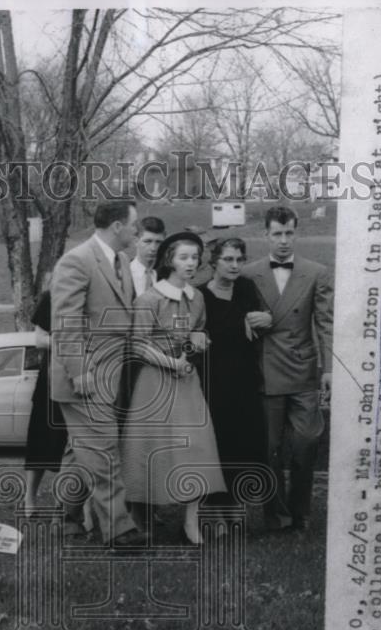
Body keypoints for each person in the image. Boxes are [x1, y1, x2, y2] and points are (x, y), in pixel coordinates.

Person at [50, 200, 144, 547]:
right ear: (117, 226)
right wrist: (78, 371)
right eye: (134, 224)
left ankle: (69, 516)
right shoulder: (76, 261)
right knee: (103, 450)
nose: (137, 230)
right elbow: (65, 322)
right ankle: (119, 530)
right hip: (85, 377)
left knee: (81, 451)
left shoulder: (120, 259)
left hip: (111, 373)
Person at [122, 231, 226, 545]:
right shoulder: (149, 298)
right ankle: (141, 520)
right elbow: (137, 345)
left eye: (195, 257)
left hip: (187, 384)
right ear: (170, 260)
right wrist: (170, 363)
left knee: (196, 448)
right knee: (150, 450)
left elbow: (198, 331)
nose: (191, 263)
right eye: (184, 257)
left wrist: (199, 337)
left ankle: (191, 521)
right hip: (154, 384)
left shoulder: (198, 298)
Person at [241, 206, 333, 532]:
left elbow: (325, 322)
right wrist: (251, 319)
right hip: (266, 371)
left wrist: (328, 369)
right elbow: (229, 311)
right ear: (265, 235)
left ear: (296, 233)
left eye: (289, 233)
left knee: (307, 442)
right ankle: (277, 516)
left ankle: (301, 510)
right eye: (277, 234)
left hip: (304, 370)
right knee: (269, 450)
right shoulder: (249, 273)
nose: (283, 241)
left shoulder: (316, 272)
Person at [198, 238, 269, 506]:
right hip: (214, 380)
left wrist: (266, 318)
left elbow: (262, 316)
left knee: (245, 439)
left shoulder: (247, 288)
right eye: (228, 259)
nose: (235, 265)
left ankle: (236, 505)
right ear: (213, 261)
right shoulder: (200, 295)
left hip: (245, 378)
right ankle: (215, 505)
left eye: (240, 259)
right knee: (219, 441)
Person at [22, 275, 69, 516]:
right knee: (41, 441)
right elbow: (39, 340)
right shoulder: (52, 297)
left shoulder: (90, 298)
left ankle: (65, 503)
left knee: (70, 446)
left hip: (80, 380)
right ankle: (29, 498)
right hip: (50, 380)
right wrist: (68, 343)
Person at [129, 216, 164, 297]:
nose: (153, 248)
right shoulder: (123, 274)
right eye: (147, 241)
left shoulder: (166, 276)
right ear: (136, 241)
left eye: (158, 242)